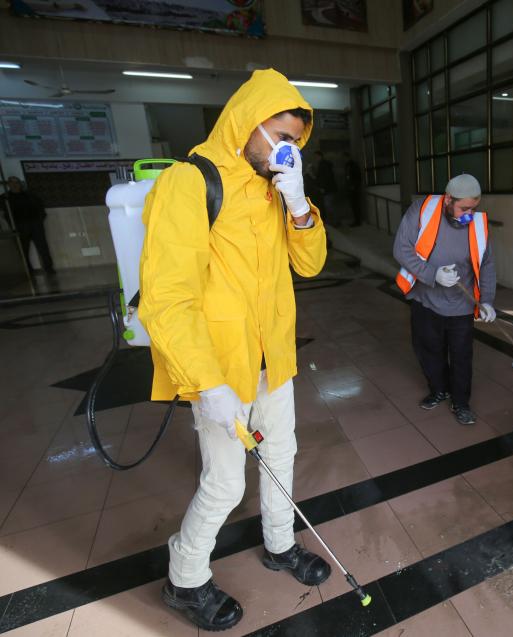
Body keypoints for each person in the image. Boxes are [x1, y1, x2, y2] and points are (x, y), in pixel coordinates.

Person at [138, 69, 329, 631]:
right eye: (281, 136)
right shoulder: (188, 182)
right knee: (225, 482)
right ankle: (184, 578)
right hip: (220, 371)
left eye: (296, 142)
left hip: (275, 359)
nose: (288, 150)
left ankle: (280, 544)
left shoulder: (274, 188)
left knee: (281, 456)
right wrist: (208, 383)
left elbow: (310, 264)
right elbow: (168, 299)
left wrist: (299, 206)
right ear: (248, 122)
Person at [393, 174, 496, 426]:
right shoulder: (422, 211)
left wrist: (487, 300)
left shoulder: (477, 224)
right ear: (448, 199)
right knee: (428, 350)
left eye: (473, 209)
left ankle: (461, 403)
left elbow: (487, 264)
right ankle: (439, 389)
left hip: (461, 305)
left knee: (461, 356)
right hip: (426, 300)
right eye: (464, 209)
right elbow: (401, 249)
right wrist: (432, 274)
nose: (469, 215)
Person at [1, 176, 55, 273]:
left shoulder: (30, 195)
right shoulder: (5, 198)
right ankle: (28, 270)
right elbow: (4, 214)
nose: (14, 185)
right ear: (8, 185)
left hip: (35, 225)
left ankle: (49, 268)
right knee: (23, 250)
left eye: (16, 182)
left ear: (20, 184)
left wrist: (39, 221)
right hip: (19, 227)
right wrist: (13, 225)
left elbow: (40, 208)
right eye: (12, 183)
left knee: (43, 247)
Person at [314, 150, 337, 225]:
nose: (315, 158)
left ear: (320, 156)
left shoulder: (323, 165)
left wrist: (323, 187)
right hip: (328, 188)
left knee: (329, 206)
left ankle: (334, 222)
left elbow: (325, 177)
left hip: (328, 189)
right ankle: (332, 222)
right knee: (328, 205)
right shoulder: (323, 164)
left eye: (316, 157)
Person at [343, 152, 362, 227]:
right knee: (354, 205)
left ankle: (357, 221)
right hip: (351, 187)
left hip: (354, 188)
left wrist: (354, 186)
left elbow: (357, 176)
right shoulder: (348, 165)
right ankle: (356, 220)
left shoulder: (352, 165)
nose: (344, 159)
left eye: (345, 158)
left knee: (355, 205)